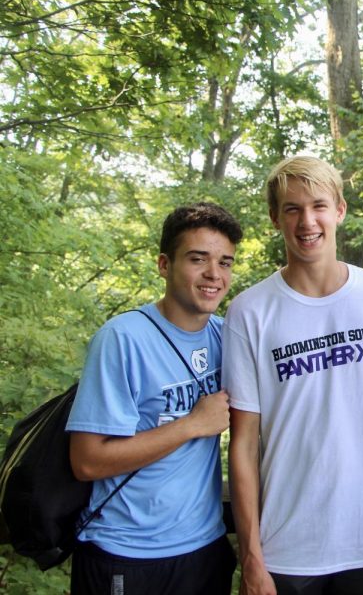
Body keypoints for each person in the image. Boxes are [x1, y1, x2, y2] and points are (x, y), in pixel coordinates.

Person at [225, 155, 363, 595]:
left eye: (318, 205)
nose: (307, 221)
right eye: (292, 209)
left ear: (339, 210)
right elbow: (242, 443)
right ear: (275, 218)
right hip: (285, 549)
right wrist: (252, 556)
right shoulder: (250, 311)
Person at [66, 202, 243, 595]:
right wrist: (191, 426)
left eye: (225, 262)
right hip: (126, 552)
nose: (214, 274)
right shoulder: (122, 339)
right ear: (164, 264)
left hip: (205, 549)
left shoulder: (225, 336)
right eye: (198, 259)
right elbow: (87, 460)